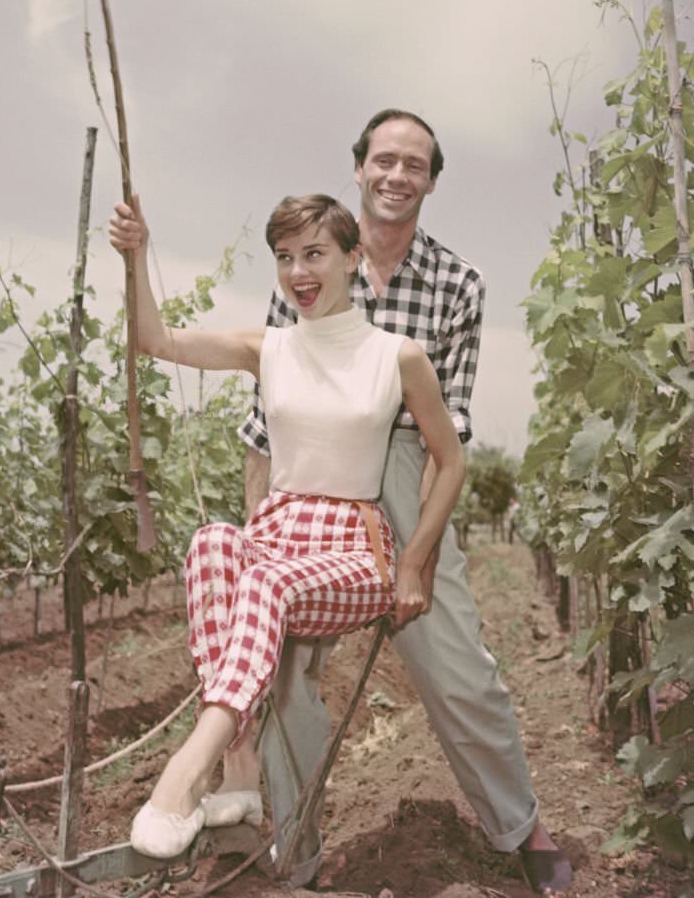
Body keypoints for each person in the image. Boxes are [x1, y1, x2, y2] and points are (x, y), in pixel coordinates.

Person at [240, 110, 572, 894]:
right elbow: (263, 421)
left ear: (429, 181)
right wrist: (258, 524)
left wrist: (414, 559)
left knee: (457, 665)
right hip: (309, 470)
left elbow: (445, 436)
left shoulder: (457, 284)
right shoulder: (307, 266)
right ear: (357, 170)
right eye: (382, 161)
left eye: (412, 165)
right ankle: (295, 850)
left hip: (400, 462)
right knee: (283, 671)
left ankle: (518, 825)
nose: (395, 175)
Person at [108, 192, 465, 862]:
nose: (299, 271)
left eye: (314, 254)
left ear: (353, 259)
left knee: (264, 582)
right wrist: (136, 257)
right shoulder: (266, 347)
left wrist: (415, 561)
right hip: (277, 529)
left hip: (353, 549)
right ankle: (240, 770)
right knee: (213, 541)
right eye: (284, 257)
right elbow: (152, 340)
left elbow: (449, 461)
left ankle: (183, 774)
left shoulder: (397, 356)